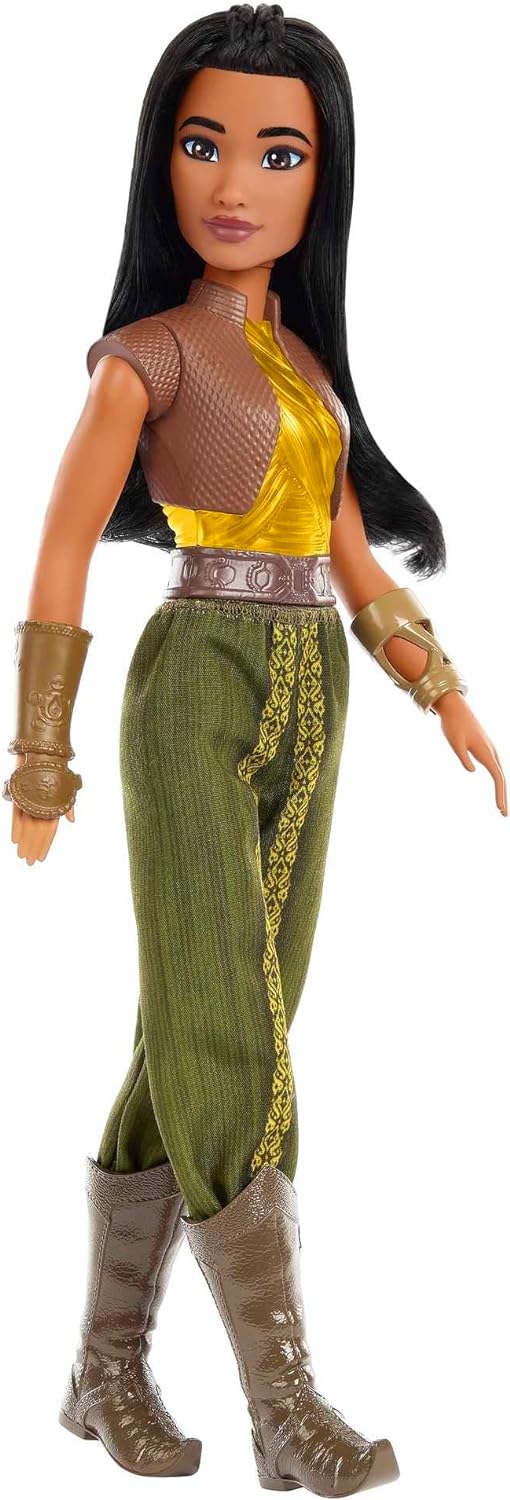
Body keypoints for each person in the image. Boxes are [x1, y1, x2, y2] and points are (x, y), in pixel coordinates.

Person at [4, 5, 507, 1493]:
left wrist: (444, 694)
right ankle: (284, 1403)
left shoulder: (301, 365)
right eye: (202, 143)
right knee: (227, 1025)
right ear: (159, 162)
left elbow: (348, 557)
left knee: (218, 1014)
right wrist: (40, 761)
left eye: (277, 153)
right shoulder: (144, 360)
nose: (234, 183)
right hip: (195, 683)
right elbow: (58, 554)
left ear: (322, 177)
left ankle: (102, 1365)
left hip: (312, 688)